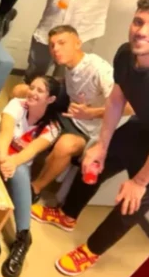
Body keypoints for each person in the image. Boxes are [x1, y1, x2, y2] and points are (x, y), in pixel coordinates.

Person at [32, 0, 149, 277]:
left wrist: (139, 182)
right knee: (93, 162)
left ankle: (91, 250)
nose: (142, 31)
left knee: (133, 200)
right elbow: (116, 100)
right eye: (138, 21)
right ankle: (66, 216)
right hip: (144, 126)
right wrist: (101, 145)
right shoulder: (126, 54)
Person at [14, 25, 133, 201]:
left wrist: (92, 113)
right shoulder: (69, 66)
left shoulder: (98, 68)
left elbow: (129, 107)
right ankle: (12, 148)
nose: (56, 49)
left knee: (65, 145)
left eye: (62, 43)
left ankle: (35, 188)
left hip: (90, 131)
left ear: (78, 43)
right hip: (70, 114)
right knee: (20, 90)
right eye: (52, 45)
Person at [0, 76, 64, 277]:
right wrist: (4, 159)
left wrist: (12, 163)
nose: (32, 92)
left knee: (21, 170)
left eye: (40, 91)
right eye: (32, 87)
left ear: (50, 99)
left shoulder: (53, 127)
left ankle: (23, 237)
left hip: (17, 166)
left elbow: (32, 151)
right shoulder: (16, 104)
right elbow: (4, 133)